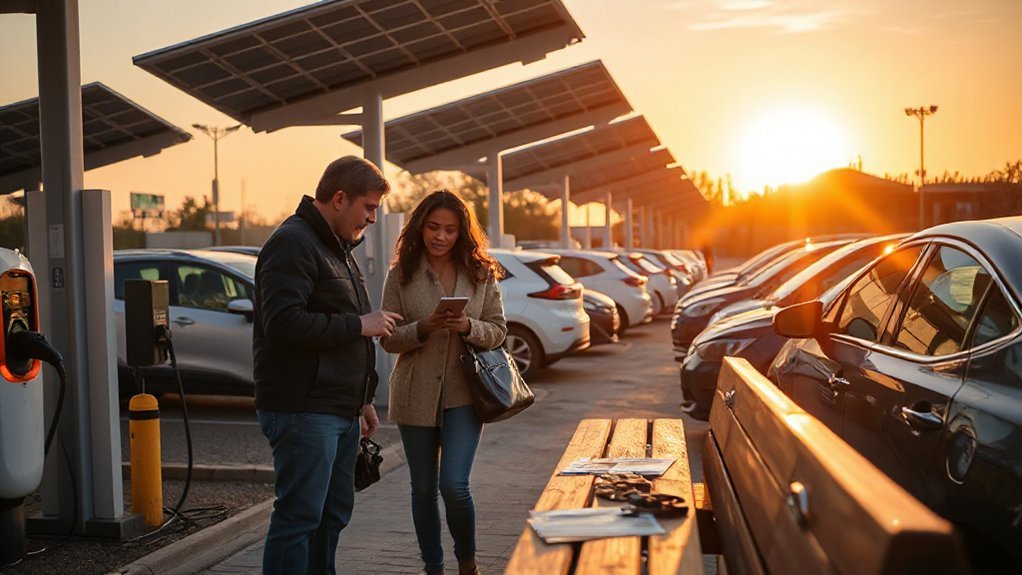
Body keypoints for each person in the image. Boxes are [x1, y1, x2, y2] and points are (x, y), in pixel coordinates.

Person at [252, 155, 402, 575]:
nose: (372, 218)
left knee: (331, 515)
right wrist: (359, 324)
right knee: (300, 518)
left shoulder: (337, 247)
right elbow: (283, 324)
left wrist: (363, 399)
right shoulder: (293, 243)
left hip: (338, 407)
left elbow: (341, 330)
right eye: (368, 207)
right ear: (339, 198)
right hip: (303, 407)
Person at [380, 190, 507, 575]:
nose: (441, 236)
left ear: (461, 232)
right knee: (422, 489)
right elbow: (388, 339)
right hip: (414, 394)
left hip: (465, 396)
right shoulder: (400, 275)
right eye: (433, 227)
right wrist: (423, 327)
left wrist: (468, 327)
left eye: (450, 230)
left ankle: (467, 564)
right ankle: (432, 567)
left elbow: (498, 330)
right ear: (420, 227)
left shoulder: (481, 273)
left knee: (453, 484)